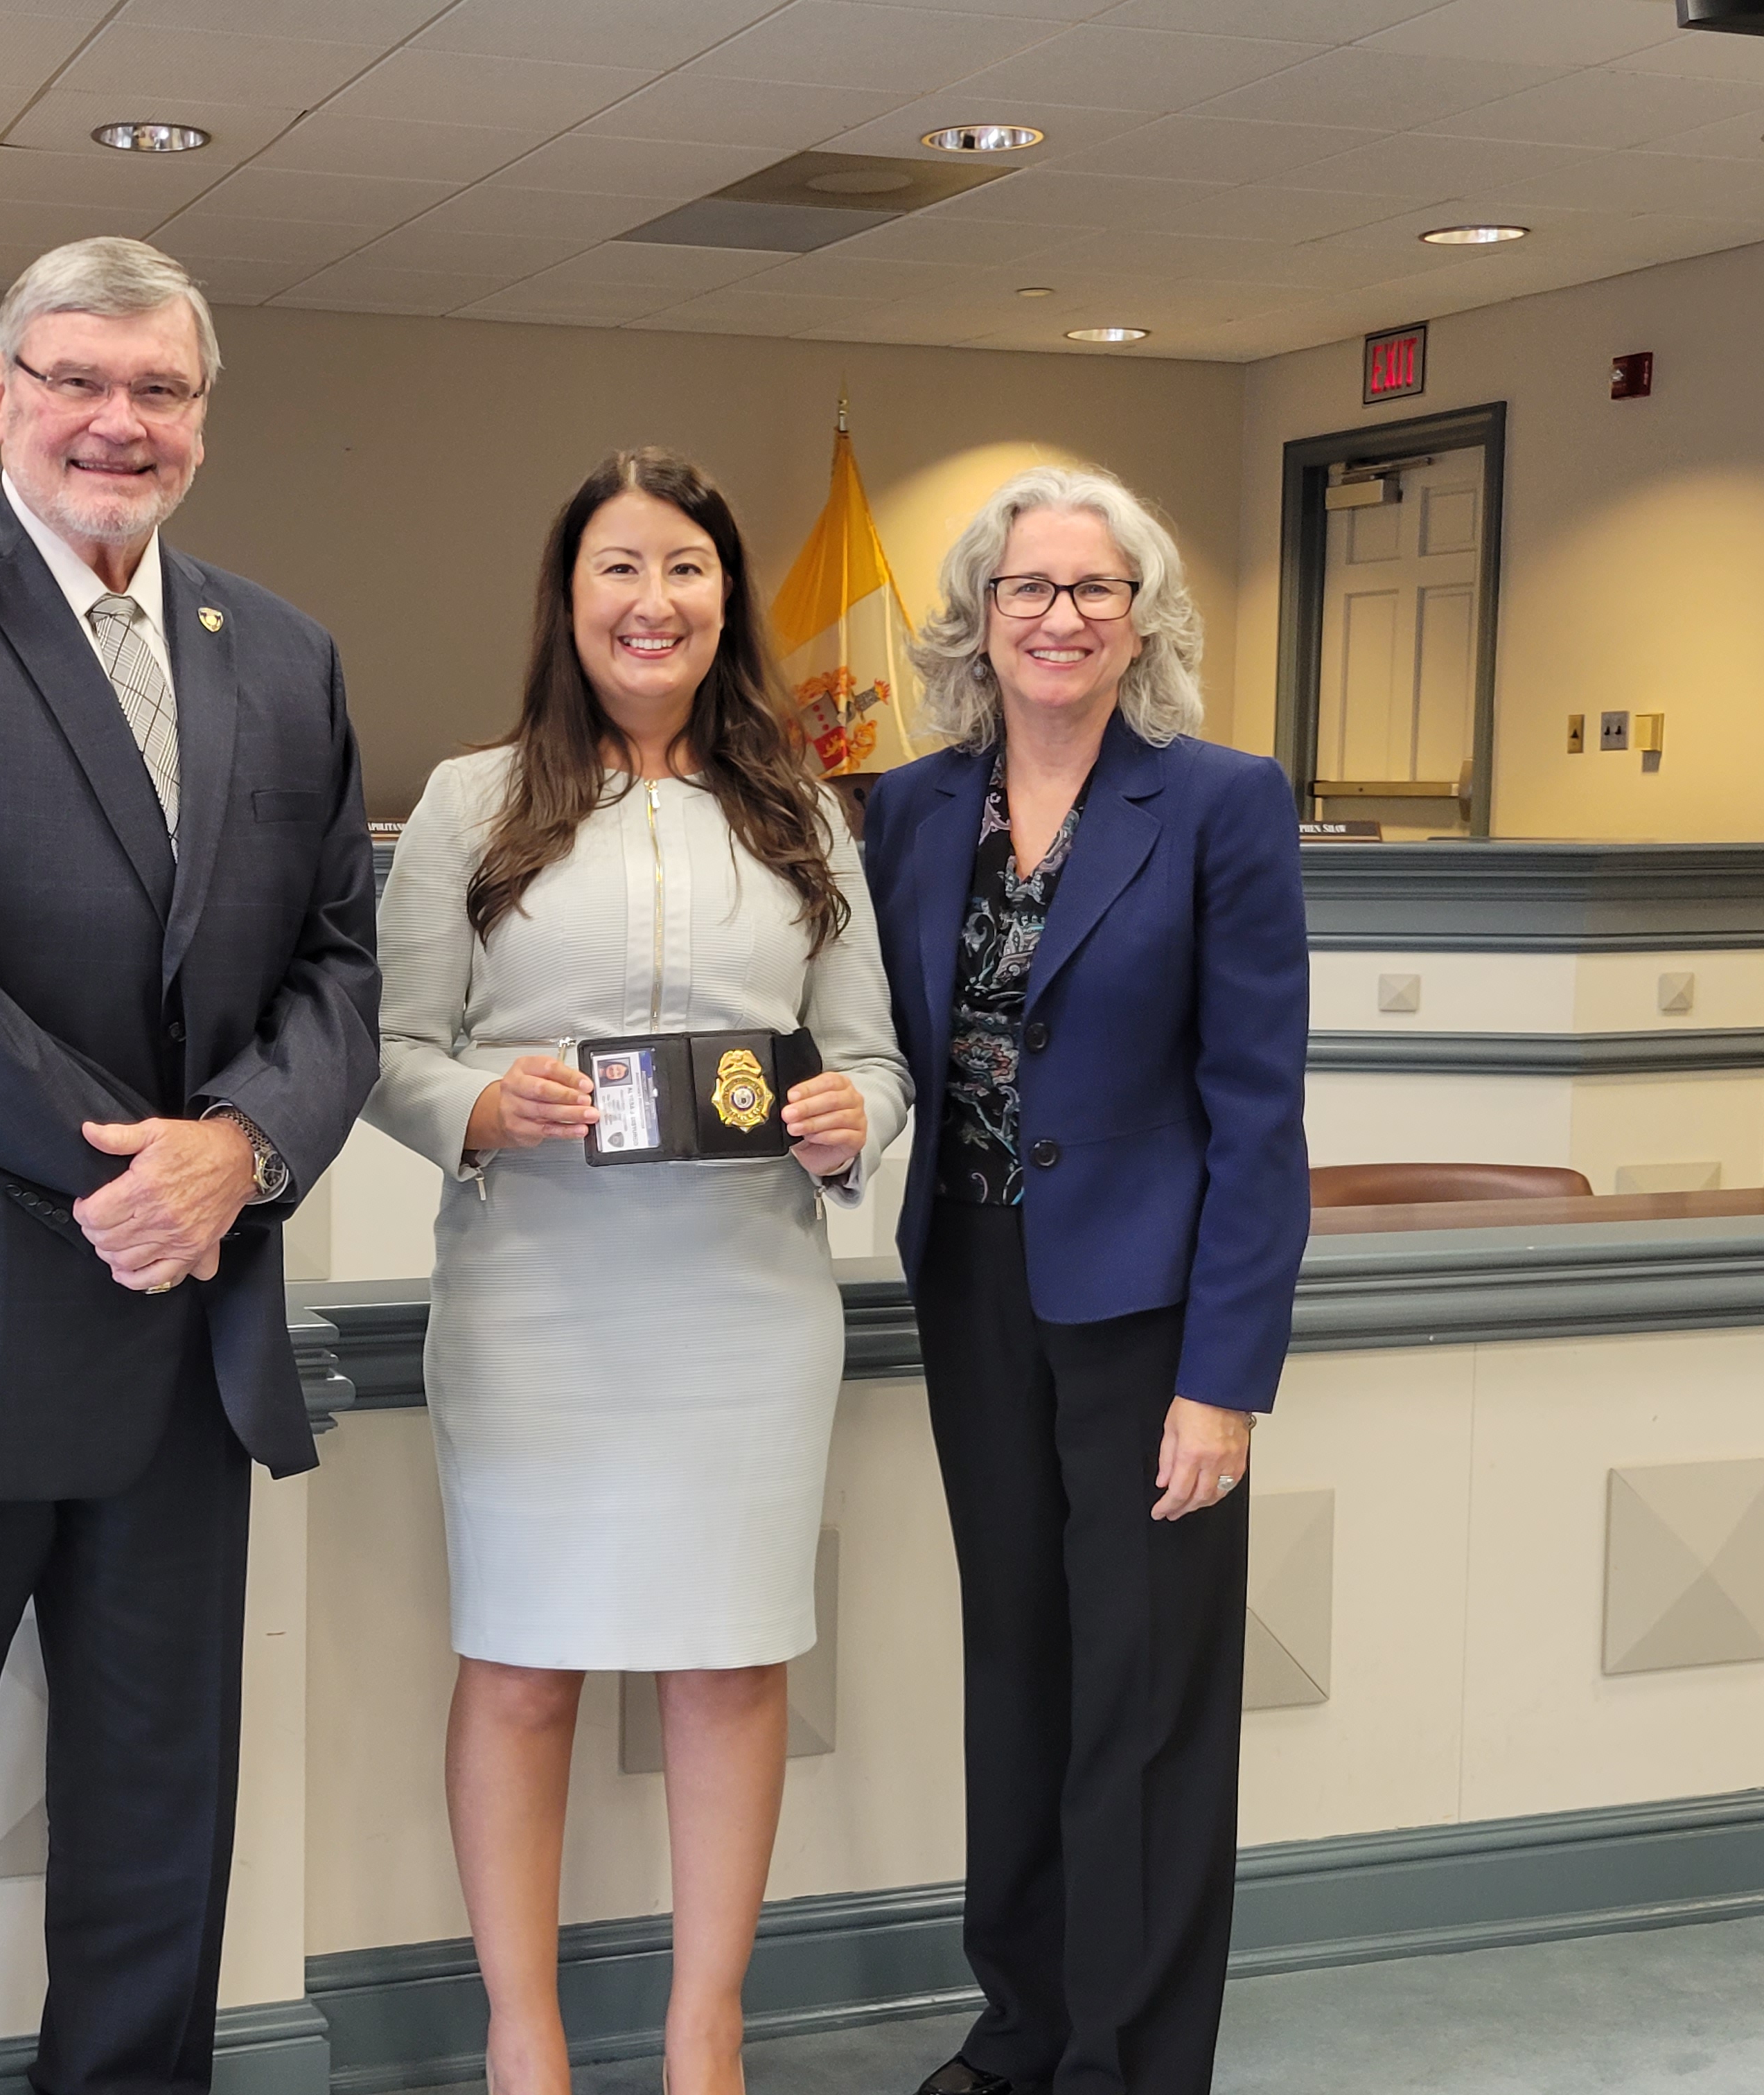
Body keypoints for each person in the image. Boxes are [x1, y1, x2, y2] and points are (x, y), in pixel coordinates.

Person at [0, 237, 380, 2095]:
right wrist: (137, 1172)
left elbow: (340, 962)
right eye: (81, 380)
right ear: (4, 392)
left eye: (160, 390)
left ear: (201, 416)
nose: (120, 422)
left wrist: (244, 1152)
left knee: (158, 1836)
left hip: (183, 1348)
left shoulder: (279, 653)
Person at [364, 448, 912, 2095]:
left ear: (725, 598)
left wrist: (843, 1115)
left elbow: (879, 1061)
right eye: (619, 568)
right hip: (537, 1297)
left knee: (732, 1660)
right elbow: (389, 1050)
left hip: (745, 1302)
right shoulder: (470, 804)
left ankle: (705, 2041)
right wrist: (480, 1103)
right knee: (522, 1663)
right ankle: (522, 2044)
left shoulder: (805, 811)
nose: (652, 600)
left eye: (684, 567)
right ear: (570, 595)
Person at [858, 466, 1309, 2095]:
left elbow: (1260, 1109)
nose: (1058, 618)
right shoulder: (910, 808)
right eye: (1028, 589)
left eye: (1093, 591)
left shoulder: (1219, 800)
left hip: (1149, 1322)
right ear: (979, 619)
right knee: (1022, 1678)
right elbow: (873, 1042)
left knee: (1151, 1709)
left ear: (1142, 622)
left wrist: (1226, 1379)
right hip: (975, 1289)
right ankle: (1023, 2032)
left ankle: (1130, 2061)